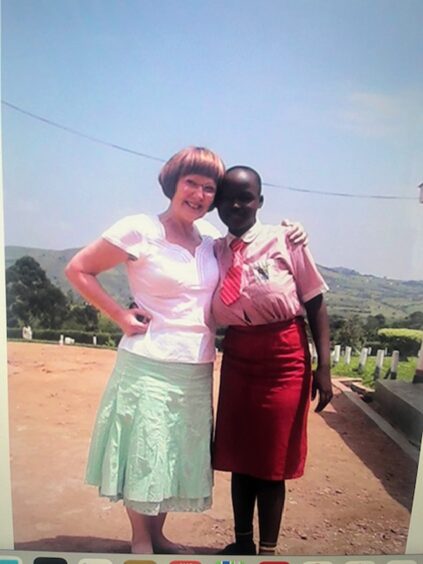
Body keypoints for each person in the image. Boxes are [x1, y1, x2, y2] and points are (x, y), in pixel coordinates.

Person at [65, 147, 307, 554]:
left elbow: (259, 250)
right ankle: (141, 539)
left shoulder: (213, 239)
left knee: (172, 453)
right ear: (172, 184)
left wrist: (292, 231)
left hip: (197, 364)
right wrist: (121, 317)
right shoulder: (138, 229)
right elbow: (78, 269)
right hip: (148, 362)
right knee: (146, 452)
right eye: (190, 183)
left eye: (208, 188)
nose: (198, 194)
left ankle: (159, 535)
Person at [211, 166, 332, 556]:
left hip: (284, 358)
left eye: (245, 197)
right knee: (240, 455)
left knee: (270, 458)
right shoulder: (213, 249)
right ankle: (243, 543)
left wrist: (324, 367)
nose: (235, 205)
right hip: (239, 356)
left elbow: (315, 302)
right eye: (227, 197)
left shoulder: (287, 240)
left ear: (260, 201)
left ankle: (267, 550)